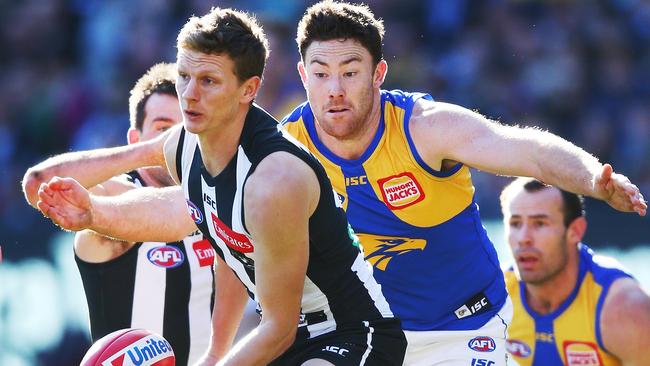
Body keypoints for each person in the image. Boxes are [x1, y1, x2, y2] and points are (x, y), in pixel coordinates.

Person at [281, 1, 647, 365]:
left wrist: (594, 179)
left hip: (464, 329)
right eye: (321, 73)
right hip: (366, 332)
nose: (334, 89)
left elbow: (530, 151)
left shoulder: (425, 128)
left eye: (350, 72)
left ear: (378, 74)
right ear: (303, 75)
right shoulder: (287, 149)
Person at [35, 8, 407, 366]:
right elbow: (207, 233)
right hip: (287, 337)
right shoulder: (184, 144)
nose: (189, 94)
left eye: (209, 81)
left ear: (249, 90)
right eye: (184, 76)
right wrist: (92, 213)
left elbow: (278, 329)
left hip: (351, 333)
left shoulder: (273, 181)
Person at [22, 63, 259, 365]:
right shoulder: (114, 195)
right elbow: (37, 184)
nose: (177, 139)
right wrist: (151, 151)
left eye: (187, 127)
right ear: (135, 139)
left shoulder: (226, 196)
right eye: (163, 129)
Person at [500, 178, 650, 366]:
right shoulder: (496, 297)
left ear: (575, 231)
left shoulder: (625, 308)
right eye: (515, 224)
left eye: (539, 224)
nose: (523, 238)